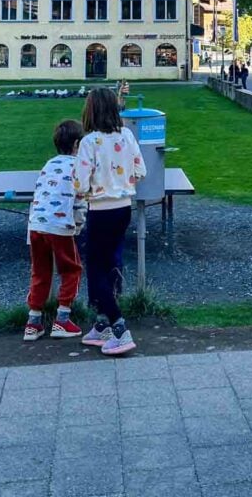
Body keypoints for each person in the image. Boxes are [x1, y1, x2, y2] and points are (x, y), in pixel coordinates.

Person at [74, 88, 147, 356]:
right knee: (107, 265)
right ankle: (102, 323)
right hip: (123, 209)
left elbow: (80, 183)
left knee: (95, 269)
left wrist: (92, 188)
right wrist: (121, 182)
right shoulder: (127, 135)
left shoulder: (89, 142)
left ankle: (119, 327)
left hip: (100, 210)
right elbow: (141, 170)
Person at [24, 120, 87, 342]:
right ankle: (62, 319)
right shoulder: (79, 167)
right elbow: (80, 201)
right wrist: (77, 227)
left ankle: (33, 322)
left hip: (36, 225)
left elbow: (39, 194)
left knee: (40, 272)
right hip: (60, 227)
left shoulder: (48, 164)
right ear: (78, 144)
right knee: (71, 269)